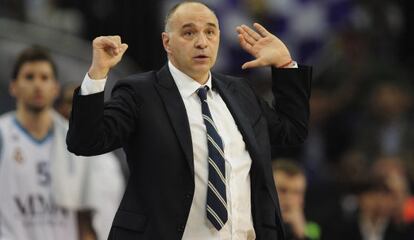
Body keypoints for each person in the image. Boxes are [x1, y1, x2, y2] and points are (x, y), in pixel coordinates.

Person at [66, 1, 312, 239]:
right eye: (189, 33)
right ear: (167, 42)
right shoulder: (140, 93)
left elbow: (291, 132)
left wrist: (285, 65)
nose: (202, 42)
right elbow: (85, 141)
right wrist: (98, 74)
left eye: (210, 32)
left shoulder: (240, 92)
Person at [0, 47, 123, 240]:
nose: (38, 85)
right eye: (29, 77)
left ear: (55, 88)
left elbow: (89, 215)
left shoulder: (77, 140)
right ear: (13, 86)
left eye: (44, 77)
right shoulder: (3, 135)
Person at [272, 159, 321, 240]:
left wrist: (301, 234)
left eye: (296, 192)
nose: (289, 198)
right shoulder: (251, 221)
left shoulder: (313, 229)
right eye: (282, 190)